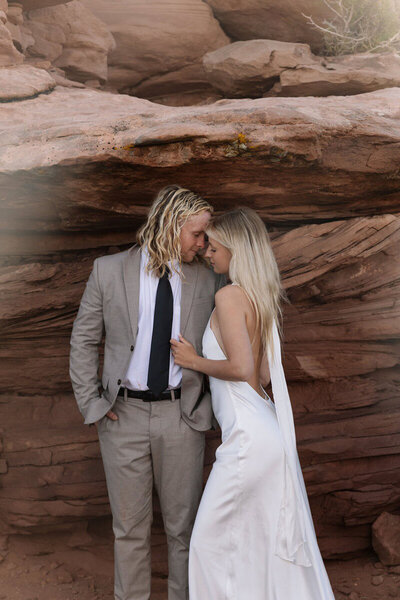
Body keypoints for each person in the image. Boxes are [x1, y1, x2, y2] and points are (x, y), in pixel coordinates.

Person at [171, 207, 335, 600]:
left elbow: (243, 369)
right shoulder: (257, 297)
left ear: (234, 247)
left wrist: (193, 361)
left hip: (247, 439)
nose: (208, 254)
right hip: (266, 429)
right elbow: (262, 376)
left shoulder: (229, 295)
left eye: (213, 246)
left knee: (207, 544)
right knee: (259, 544)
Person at [69, 185, 224, 600]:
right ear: (172, 226)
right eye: (197, 234)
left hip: (182, 417)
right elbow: (84, 340)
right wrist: (92, 404)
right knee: (130, 529)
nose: (203, 243)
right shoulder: (108, 269)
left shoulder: (207, 279)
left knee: (184, 530)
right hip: (123, 416)